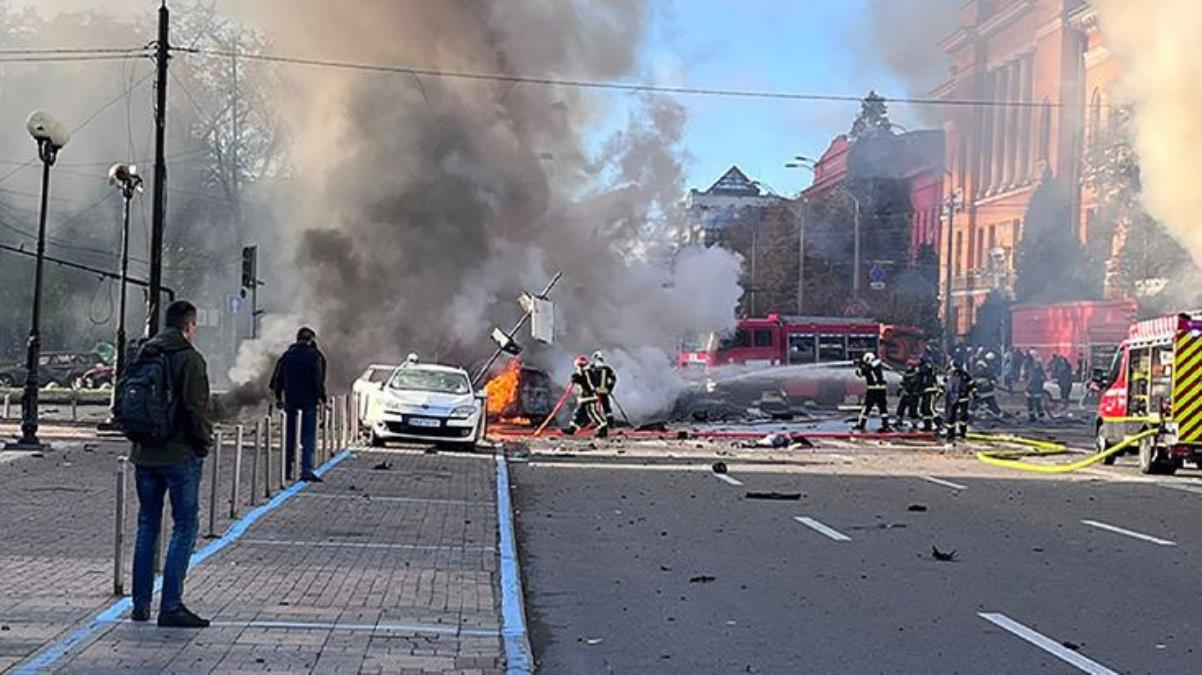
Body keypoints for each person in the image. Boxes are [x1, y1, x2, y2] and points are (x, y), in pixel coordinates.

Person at [129, 300, 213, 628]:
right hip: (179, 456)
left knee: (147, 526)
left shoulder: (143, 353)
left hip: (143, 453)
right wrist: (203, 443)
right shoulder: (190, 359)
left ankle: (140, 603)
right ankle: (171, 605)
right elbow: (195, 409)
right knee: (185, 526)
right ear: (189, 326)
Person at [270, 327, 328, 482]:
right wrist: (323, 398)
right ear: (311, 340)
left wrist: (278, 398)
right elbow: (318, 380)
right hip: (309, 402)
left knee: (290, 437)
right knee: (307, 438)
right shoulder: (315, 356)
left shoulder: (287, 356)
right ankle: (306, 470)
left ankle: (287, 470)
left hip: (291, 401)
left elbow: (277, 379)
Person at [564, 355, 607, 437]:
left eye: (579, 366)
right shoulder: (582, 373)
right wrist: (577, 378)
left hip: (590, 397)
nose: (578, 368)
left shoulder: (588, 372)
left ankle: (603, 428)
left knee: (593, 413)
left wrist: (579, 379)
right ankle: (572, 428)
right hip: (583, 398)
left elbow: (590, 385)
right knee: (578, 413)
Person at [854, 352, 892, 432]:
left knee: (866, 408)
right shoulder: (878, 365)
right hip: (882, 390)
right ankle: (886, 425)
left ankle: (861, 425)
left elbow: (859, 373)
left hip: (872, 390)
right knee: (883, 409)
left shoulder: (869, 367)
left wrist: (860, 365)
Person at [943, 361, 975, 441]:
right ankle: (950, 436)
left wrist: (974, 393)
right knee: (950, 417)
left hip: (962, 398)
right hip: (952, 399)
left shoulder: (964, 375)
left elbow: (972, 385)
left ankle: (962, 434)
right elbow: (943, 385)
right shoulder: (949, 375)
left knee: (963, 417)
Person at [590, 351, 618, 428]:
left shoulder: (592, 368)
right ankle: (611, 424)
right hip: (604, 391)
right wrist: (609, 389)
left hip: (594, 391)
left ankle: (597, 423)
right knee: (607, 408)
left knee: (592, 408)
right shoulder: (607, 369)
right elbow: (613, 379)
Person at [917, 349, 941, 432]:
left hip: (930, 391)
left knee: (930, 409)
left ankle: (940, 425)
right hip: (925, 391)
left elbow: (922, 380)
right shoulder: (925, 367)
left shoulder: (926, 367)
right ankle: (927, 426)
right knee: (924, 409)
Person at [895, 360, 921, 428]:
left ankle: (914, 424)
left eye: (910, 365)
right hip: (906, 394)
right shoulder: (906, 374)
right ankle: (898, 421)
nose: (908, 367)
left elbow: (917, 385)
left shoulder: (917, 375)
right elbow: (903, 382)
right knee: (901, 408)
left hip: (913, 395)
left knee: (912, 410)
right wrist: (900, 390)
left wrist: (914, 392)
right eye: (907, 365)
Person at [1026, 356, 1048, 422]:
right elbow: (1029, 380)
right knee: (1030, 405)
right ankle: (1032, 417)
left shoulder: (1039, 372)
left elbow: (1043, 379)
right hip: (1031, 390)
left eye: (1038, 363)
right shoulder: (1032, 370)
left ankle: (1040, 418)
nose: (1037, 365)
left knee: (1038, 405)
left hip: (1037, 391)